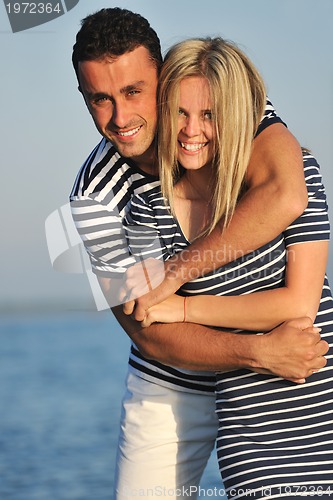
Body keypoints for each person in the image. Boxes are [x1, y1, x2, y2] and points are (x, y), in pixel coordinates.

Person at [69, 8, 328, 499]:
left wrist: (172, 276)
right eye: (100, 100)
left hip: (273, 365)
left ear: (164, 78)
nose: (121, 119)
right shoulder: (93, 202)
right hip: (172, 382)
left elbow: (287, 194)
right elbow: (149, 335)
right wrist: (255, 353)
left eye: (133, 92)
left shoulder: (220, 105)